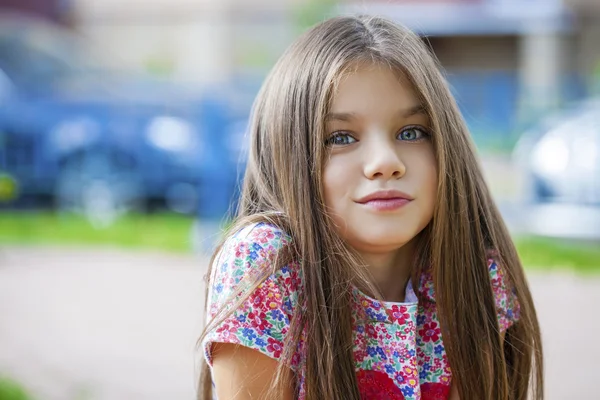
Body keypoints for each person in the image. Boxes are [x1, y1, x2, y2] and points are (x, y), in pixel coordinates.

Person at [197, 15, 543, 400]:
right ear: (287, 158)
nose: (385, 161)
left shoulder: (475, 273)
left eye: (411, 132)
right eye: (341, 137)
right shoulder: (265, 265)